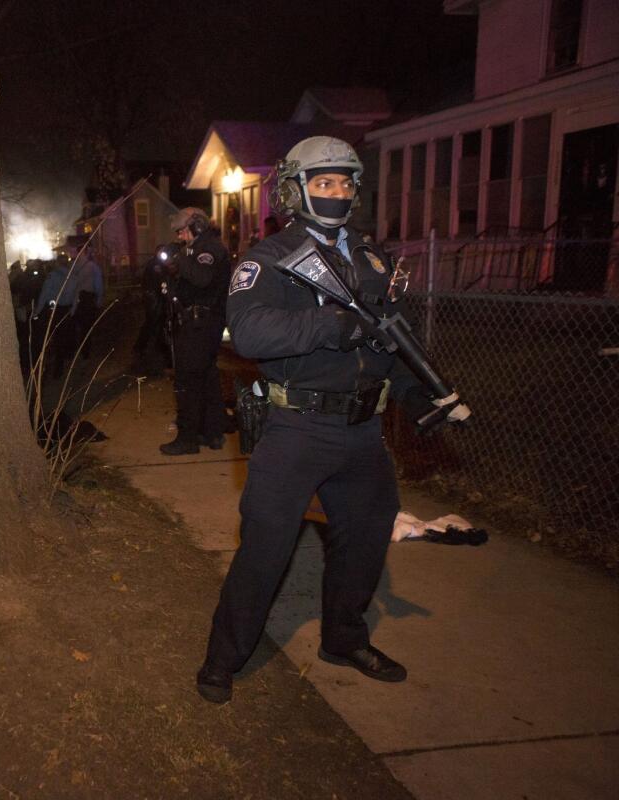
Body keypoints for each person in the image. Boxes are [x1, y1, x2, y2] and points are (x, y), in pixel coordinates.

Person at [195, 136, 465, 706]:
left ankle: (344, 641)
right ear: (295, 189)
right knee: (264, 551)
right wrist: (329, 327)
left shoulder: (372, 258)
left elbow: (394, 336)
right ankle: (224, 658)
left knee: (365, 544)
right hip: (296, 429)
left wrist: (419, 396)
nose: (337, 192)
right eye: (324, 182)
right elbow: (249, 333)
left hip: (364, 431)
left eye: (345, 182)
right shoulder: (266, 259)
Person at [159, 207, 232, 455]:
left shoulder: (209, 248)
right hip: (199, 322)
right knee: (206, 378)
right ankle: (212, 432)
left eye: (182, 231)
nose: (180, 236)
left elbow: (201, 278)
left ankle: (188, 438)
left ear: (197, 226)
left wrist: (179, 260)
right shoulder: (197, 248)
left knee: (187, 381)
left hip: (201, 323)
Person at [33, 253, 78, 380]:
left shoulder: (52, 276)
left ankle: (51, 368)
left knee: (52, 338)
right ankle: (61, 365)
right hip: (67, 310)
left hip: (54, 311)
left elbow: (45, 295)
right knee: (64, 337)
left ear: (57, 263)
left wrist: (36, 312)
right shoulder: (73, 277)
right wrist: (73, 310)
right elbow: (76, 295)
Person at [71, 245, 104, 358]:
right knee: (86, 327)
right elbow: (98, 285)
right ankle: (85, 351)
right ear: (86, 252)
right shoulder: (93, 267)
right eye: (89, 251)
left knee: (75, 326)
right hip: (87, 300)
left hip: (74, 300)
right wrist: (99, 300)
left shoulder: (73, 267)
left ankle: (73, 350)